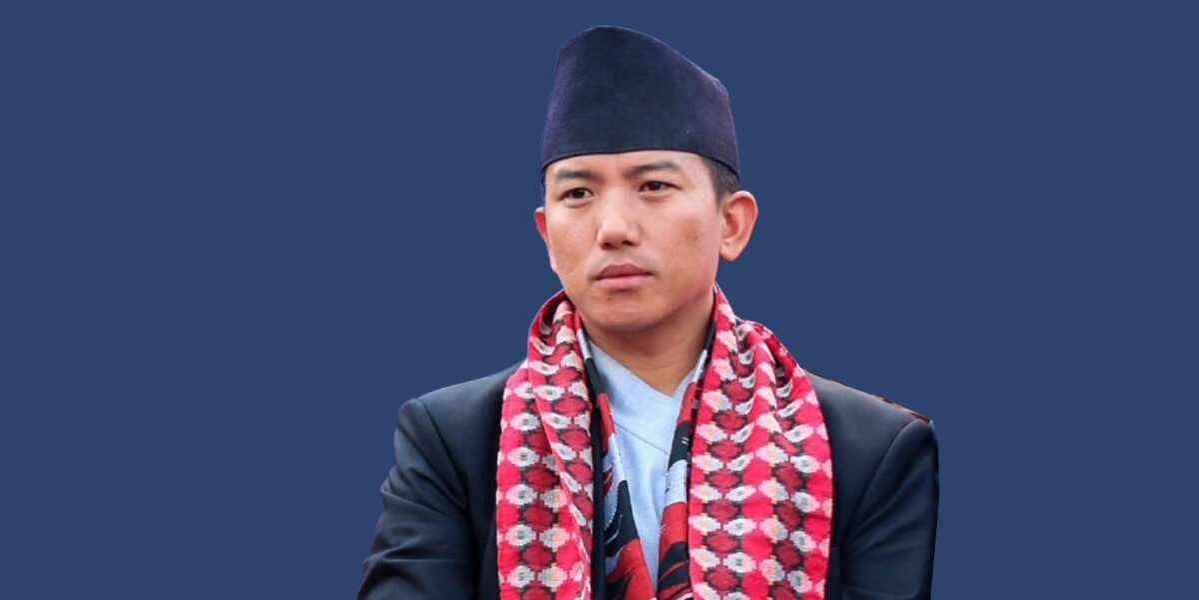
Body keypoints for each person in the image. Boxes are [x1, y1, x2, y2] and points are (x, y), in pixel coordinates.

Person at [360, 26, 938, 600]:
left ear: (731, 223)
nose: (613, 228)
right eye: (577, 194)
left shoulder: (867, 449)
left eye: (654, 185)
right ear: (546, 236)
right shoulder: (455, 439)